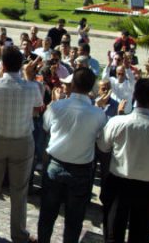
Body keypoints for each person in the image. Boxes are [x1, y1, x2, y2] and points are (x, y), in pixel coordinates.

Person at [0, 46, 43, 243]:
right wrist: (29, 76)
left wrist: (2, 73)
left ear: (3, 65)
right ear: (21, 65)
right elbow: (38, 103)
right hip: (22, 142)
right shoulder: (31, 87)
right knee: (19, 191)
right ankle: (19, 234)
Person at [37, 67, 106, 243]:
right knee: (74, 221)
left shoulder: (57, 106)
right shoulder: (99, 114)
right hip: (80, 170)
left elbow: (45, 127)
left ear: (73, 84)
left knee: (47, 215)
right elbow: (101, 140)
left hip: (56, 164)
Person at [97, 78, 149, 243]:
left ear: (134, 95)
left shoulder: (117, 122)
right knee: (140, 236)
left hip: (120, 184)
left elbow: (103, 147)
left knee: (113, 234)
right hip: (148, 187)